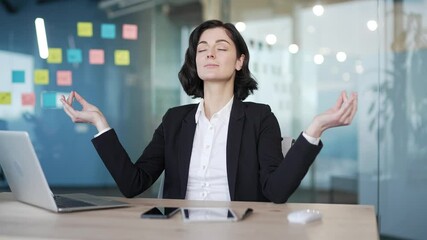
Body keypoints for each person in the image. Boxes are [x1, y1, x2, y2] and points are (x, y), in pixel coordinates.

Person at [61, 19, 357, 203]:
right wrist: (100, 123)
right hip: (180, 232)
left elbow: (276, 192)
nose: (209, 53)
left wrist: (315, 129)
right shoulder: (174, 120)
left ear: (240, 61)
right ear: (195, 61)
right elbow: (132, 183)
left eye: (221, 47)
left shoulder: (259, 117)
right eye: (202, 49)